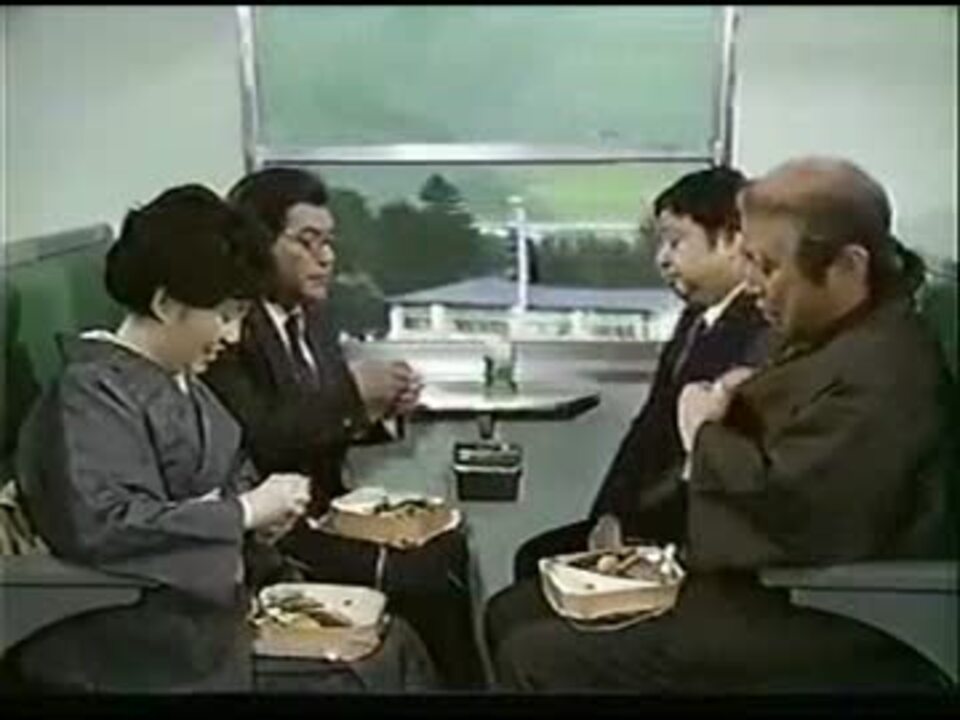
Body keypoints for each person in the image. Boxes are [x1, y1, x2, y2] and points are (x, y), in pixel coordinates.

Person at [484, 157, 955, 693]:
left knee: (536, 652)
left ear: (847, 267)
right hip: (764, 581)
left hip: (829, 608)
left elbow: (800, 508)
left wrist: (704, 431)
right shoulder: (832, 333)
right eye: (748, 261)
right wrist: (736, 403)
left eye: (768, 267)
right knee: (516, 610)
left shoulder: (890, 366)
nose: (751, 284)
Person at [13, 185, 435, 693]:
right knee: (363, 670)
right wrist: (245, 512)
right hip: (139, 637)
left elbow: (227, 481)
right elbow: (104, 526)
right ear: (166, 303)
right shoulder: (89, 393)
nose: (233, 336)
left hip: (205, 607)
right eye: (225, 316)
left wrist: (264, 523)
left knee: (394, 639)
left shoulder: (179, 379)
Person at [203, 167, 485, 690]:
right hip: (277, 533)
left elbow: (327, 421)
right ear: (259, 244)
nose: (326, 257)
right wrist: (354, 395)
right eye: (307, 241)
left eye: (329, 242)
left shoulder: (312, 318)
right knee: (425, 578)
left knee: (450, 545)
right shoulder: (227, 331)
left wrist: (382, 407)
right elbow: (261, 438)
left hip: (328, 508)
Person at [512, 166, 770, 583]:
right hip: (649, 518)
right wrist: (609, 514)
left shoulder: (762, 329)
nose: (662, 259)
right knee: (537, 559)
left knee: (539, 567)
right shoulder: (695, 319)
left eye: (676, 242)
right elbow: (649, 428)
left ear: (731, 239)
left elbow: (701, 458)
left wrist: (633, 528)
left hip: (691, 530)